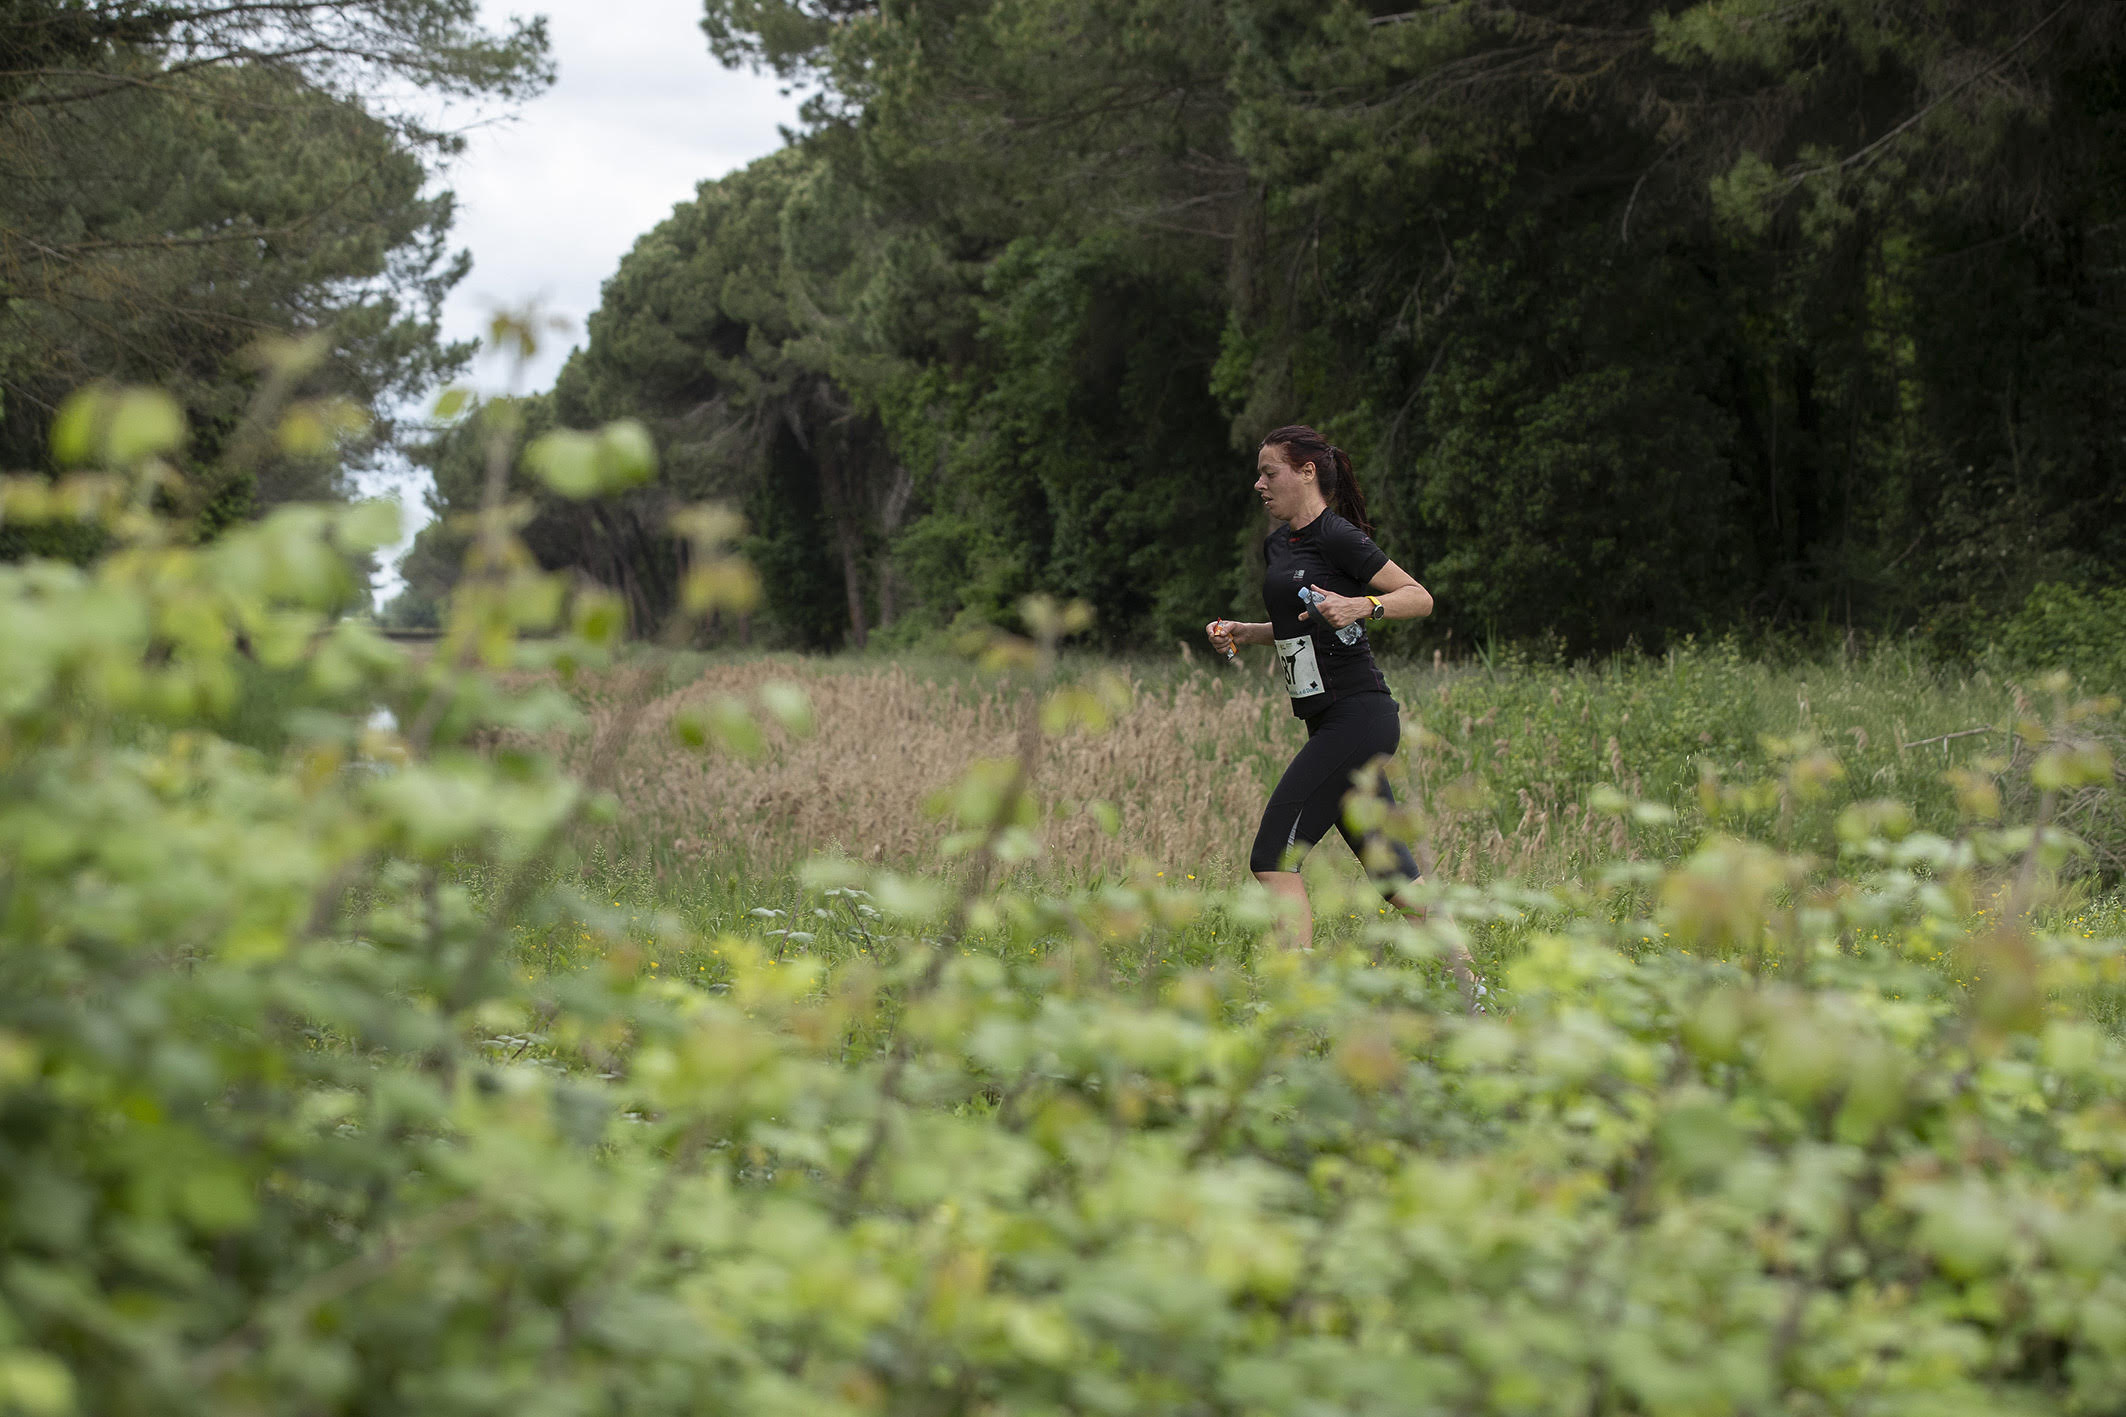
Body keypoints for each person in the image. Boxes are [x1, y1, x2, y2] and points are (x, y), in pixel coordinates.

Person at [1205, 424, 1485, 1010]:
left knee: (1272, 858)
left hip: (1358, 717)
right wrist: (1244, 632)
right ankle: (1472, 993)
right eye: (1259, 474)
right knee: (1394, 873)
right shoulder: (1279, 545)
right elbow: (1294, 629)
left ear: (1307, 471)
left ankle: (1296, 1006)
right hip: (1328, 719)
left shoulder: (1338, 536)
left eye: (1269, 472)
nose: (1259, 483)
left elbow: (1419, 596)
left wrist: (1367, 604)